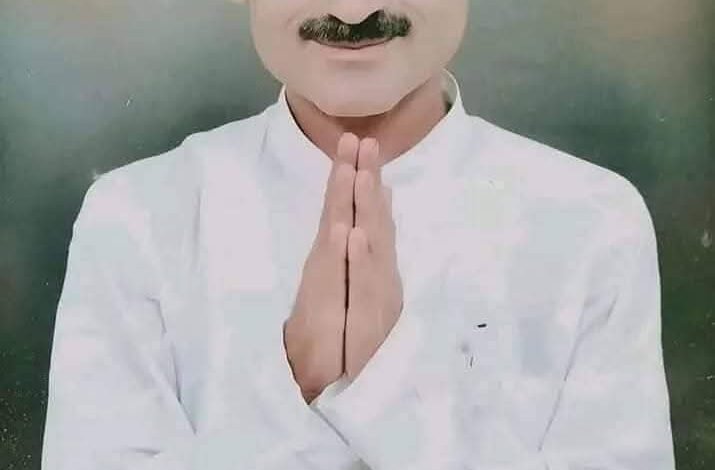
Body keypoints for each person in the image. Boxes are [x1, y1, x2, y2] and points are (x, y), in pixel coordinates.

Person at [41, 1, 676, 469]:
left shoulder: (592, 221)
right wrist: (294, 379)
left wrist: (386, 383)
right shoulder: (136, 217)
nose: (352, 11)